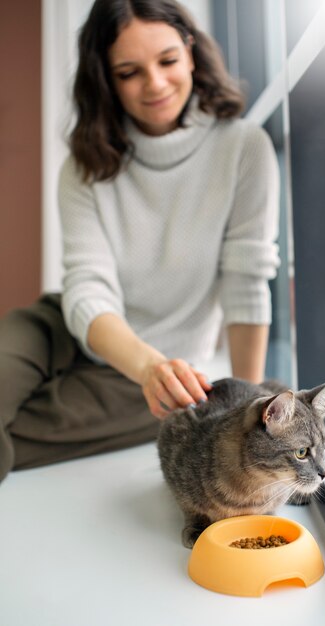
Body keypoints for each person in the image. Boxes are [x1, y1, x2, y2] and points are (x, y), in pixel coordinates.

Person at [0, 0, 279, 483]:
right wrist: (147, 365)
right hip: (73, 328)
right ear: (106, 79)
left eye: (168, 61)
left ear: (191, 52)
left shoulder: (244, 148)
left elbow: (246, 285)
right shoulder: (84, 166)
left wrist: (251, 413)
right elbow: (87, 288)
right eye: (129, 72)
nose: (155, 84)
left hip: (156, 374)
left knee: (20, 432)